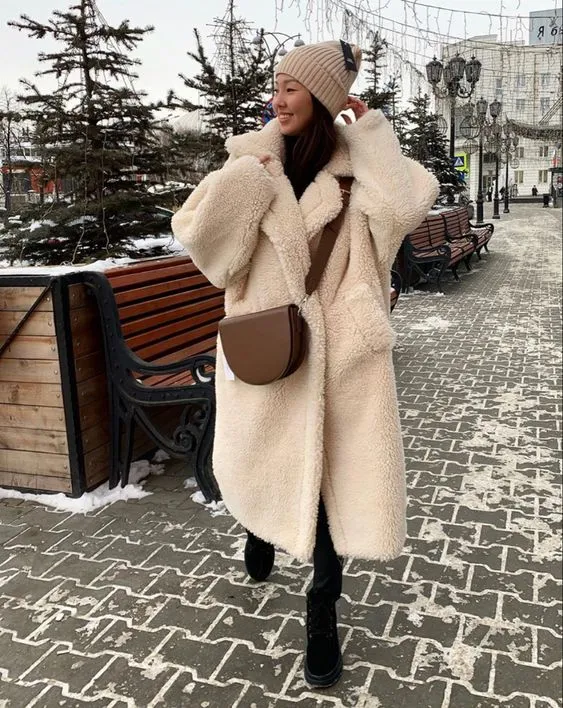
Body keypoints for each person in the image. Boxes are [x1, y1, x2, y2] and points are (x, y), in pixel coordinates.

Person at [171, 40, 438, 688]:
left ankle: (322, 611)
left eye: (291, 88)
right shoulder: (250, 162)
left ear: (320, 99)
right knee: (260, 462)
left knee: (325, 486)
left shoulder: (355, 174)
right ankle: (258, 524)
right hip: (265, 347)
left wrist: (370, 134)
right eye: (276, 86)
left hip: (339, 356)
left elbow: (404, 208)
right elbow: (205, 246)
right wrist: (249, 175)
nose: (278, 99)